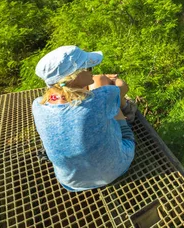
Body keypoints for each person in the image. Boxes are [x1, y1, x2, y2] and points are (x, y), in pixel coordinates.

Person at [32, 45, 137, 192]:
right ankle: (130, 112)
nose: (92, 72)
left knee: (102, 98)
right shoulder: (102, 97)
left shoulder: (37, 105)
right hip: (115, 167)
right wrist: (109, 81)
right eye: (89, 69)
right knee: (113, 104)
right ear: (76, 76)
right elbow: (122, 87)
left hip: (70, 181)